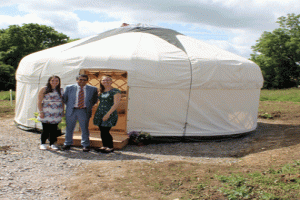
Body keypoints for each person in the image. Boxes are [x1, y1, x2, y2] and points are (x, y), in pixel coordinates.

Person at [62, 74, 98, 152]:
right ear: (76, 80)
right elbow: (65, 99)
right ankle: (67, 143)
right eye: (80, 79)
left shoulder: (93, 89)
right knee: (69, 128)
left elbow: (94, 100)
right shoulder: (69, 88)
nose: (82, 81)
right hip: (72, 110)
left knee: (84, 128)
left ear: (87, 81)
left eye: (84, 80)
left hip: (84, 110)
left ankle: (85, 145)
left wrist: (87, 106)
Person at [93, 75, 121, 153]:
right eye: (104, 80)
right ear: (101, 82)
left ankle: (110, 147)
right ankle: (104, 146)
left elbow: (116, 104)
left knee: (105, 130)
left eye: (108, 80)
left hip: (109, 113)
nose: (106, 82)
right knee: (102, 130)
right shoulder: (101, 91)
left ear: (111, 81)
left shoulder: (115, 91)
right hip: (100, 112)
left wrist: (108, 114)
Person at [37, 75, 64, 150]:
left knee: (54, 129)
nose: (54, 82)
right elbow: (39, 101)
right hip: (46, 112)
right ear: (49, 81)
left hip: (56, 112)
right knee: (45, 129)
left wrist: (62, 111)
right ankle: (42, 143)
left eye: (56, 81)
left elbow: (62, 102)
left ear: (59, 82)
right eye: (52, 80)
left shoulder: (61, 90)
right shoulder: (44, 89)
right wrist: (41, 112)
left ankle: (52, 143)